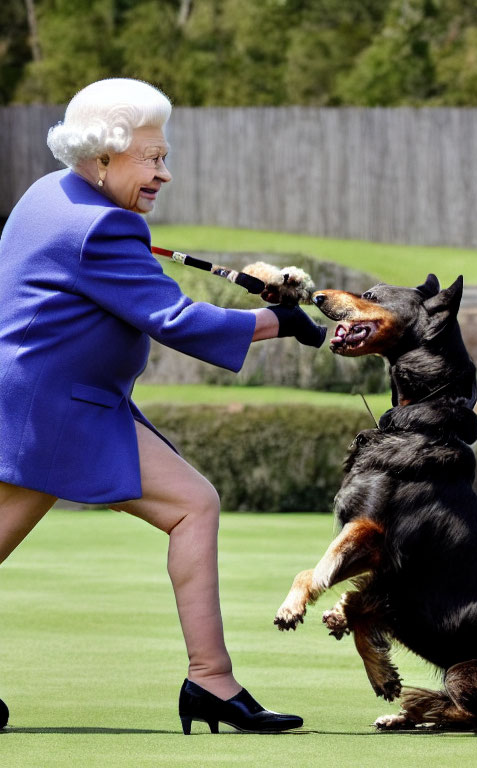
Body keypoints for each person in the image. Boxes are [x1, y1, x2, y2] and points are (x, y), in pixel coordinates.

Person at [0, 78, 325, 734]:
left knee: (192, 504)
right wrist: (279, 323)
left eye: (162, 156)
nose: (164, 173)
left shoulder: (51, 193)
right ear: (102, 159)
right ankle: (211, 681)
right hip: (52, 415)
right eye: (152, 158)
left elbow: (115, 270)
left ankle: (212, 679)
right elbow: (176, 319)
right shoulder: (105, 226)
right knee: (193, 505)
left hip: (50, 402)